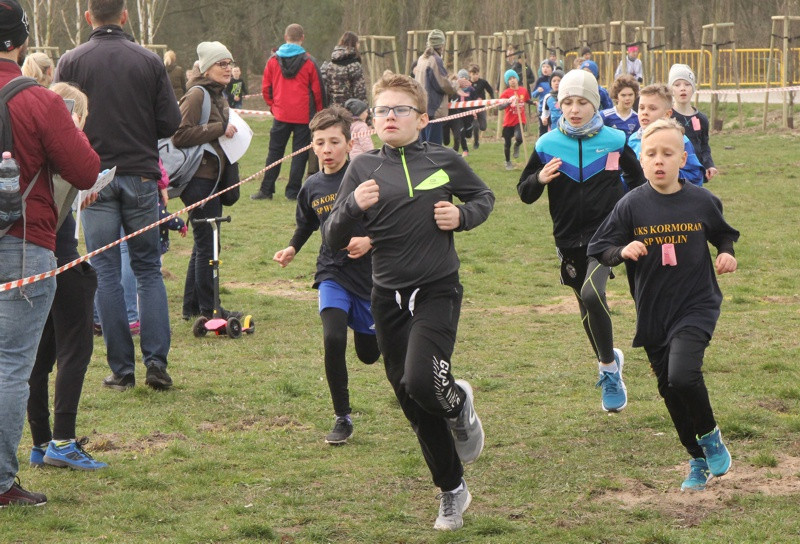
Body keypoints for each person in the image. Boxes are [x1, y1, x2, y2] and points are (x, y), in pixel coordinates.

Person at [322, 72, 493, 531]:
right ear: (373, 121)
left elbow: (483, 197)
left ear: (422, 118)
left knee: (422, 380)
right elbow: (332, 235)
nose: (390, 116)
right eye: (382, 110)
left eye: (400, 109)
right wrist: (353, 205)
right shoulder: (361, 170)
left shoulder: (443, 158)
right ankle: (451, 490)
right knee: (412, 400)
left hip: (437, 289)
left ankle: (457, 404)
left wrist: (462, 215)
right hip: (387, 298)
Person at [588, 118, 738, 491]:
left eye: (667, 154)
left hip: (696, 304)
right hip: (654, 311)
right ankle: (697, 458)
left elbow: (722, 233)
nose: (659, 161)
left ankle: (710, 435)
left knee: (684, 375)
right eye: (651, 154)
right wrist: (621, 250)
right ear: (640, 159)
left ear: (682, 157)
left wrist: (726, 253)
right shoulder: (631, 206)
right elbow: (599, 248)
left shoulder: (701, 200)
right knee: (669, 390)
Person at [0, 0, 100, 507]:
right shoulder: (36, 99)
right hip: (22, 241)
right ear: (18, 43)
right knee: (11, 364)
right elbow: (84, 170)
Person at [54, 0, 181, 391]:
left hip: (93, 180)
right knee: (147, 270)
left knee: (106, 271)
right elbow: (170, 122)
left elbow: (58, 120)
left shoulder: (71, 61)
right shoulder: (148, 61)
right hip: (141, 175)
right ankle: (156, 362)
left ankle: (122, 370)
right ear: (124, 16)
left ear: (88, 17)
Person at [517, 69, 645, 414]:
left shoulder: (615, 141)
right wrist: (539, 179)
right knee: (584, 304)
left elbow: (638, 181)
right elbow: (524, 193)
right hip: (567, 238)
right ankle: (609, 359)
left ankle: (607, 369)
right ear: (559, 105)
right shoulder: (546, 145)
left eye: (583, 102)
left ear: (595, 105)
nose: (575, 109)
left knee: (592, 293)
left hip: (607, 235)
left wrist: (631, 215)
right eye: (568, 102)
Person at [273, 106, 380, 445]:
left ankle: (370, 333)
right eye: (320, 143)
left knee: (369, 354)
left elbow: (391, 220)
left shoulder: (365, 179)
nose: (328, 149)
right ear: (313, 147)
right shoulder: (312, 185)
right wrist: (292, 247)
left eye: (335, 142)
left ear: (349, 144)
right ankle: (342, 417)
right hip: (331, 271)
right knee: (333, 338)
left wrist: (370, 241)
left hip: (370, 277)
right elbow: (306, 223)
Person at [27, 82, 107, 472]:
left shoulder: (30, 144)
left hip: (37, 261)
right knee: (75, 350)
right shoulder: (64, 137)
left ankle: (40, 441)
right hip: (61, 261)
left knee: (39, 356)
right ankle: (63, 441)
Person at [173, 41, 241, 321]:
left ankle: (191, 307)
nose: (228, 68)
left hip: (213, 178)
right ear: (207, 68)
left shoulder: (219, 94)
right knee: (209, 244)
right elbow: (180, 135)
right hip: (198, 179)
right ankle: (210, 309)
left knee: (204, 242)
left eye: (229, 63)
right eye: (221, 64)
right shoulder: (197, 94)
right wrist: (219, 129)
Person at [252, 23, 325, 201]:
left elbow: (266, 88)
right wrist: (320, 113)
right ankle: (292, 192)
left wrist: (273, 106)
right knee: (299, 155)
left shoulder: (272, 61)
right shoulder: (309, 62)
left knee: (274, 153)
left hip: (281, 114)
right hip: (303, 116)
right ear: (302, 38)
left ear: (285, 38)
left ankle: (266, 190)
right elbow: (318, 91)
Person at [627, 84, 705, 187]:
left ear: (667, 114)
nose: (645, 112)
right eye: (641, 108)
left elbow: (695, 175)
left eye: (652, 108)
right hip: (640, 199)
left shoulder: (680, 140)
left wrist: (666, 178)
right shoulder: (633, 140)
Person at [669, 64, 717, 182]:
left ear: (693, 88)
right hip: (674, 173)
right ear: (671, 89)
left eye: (687, 84)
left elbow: (704, 146)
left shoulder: (702, 119)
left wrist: (709, 165)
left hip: (696, 175)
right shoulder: (667, 117)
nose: (683, 88)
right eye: (677, 84)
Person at [413, 29, 455, 145]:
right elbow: (442, 84)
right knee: (433, 149)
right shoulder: (435, 60)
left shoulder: (422, 59)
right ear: (442, 44)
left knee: (422, 146)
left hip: (422, 109)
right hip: (433, 110)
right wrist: (456, 85)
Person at [320, 31, 367, 107]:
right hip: (350, 111)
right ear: (354, 44)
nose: (359, 46)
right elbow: (360, 92)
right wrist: (365, 112)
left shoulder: (331, 64)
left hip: (333, 110)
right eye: (358, 43)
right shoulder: (354, 65)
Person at [498, 69, 529, 170]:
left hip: (520, 120)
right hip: (508, 122)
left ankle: (517, 145)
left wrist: (533, 103)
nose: (512, 80)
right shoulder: (506, 93)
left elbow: (526, 100)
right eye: (510, 79)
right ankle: (507, 162)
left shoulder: (523, 90)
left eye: (513, 78)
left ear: (517, 79)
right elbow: (500, 107)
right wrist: (507, 102)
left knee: (519, 137)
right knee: (507, 143)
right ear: (507, 82)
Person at [467, 64, 493, 149]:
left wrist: (492, 100)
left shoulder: (483, 82)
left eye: (477, 74)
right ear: (470, 74)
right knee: (475, 126)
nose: (475, 76)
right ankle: (476, 142)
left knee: (483, 127)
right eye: (473, 74)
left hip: (481, 107)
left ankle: (475, 129)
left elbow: (490, 90)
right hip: (472, 108)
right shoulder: (467, 83)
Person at [531, 61, 553, 135]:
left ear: (552, 69)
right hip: (542, 109)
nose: (545, 69)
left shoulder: (554, 80)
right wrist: (538, 91)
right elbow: (533, 95)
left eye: (547, 67)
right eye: (543, 67)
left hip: (553, 108)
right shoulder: (540, 80)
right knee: (543, 130)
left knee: (553, 129)